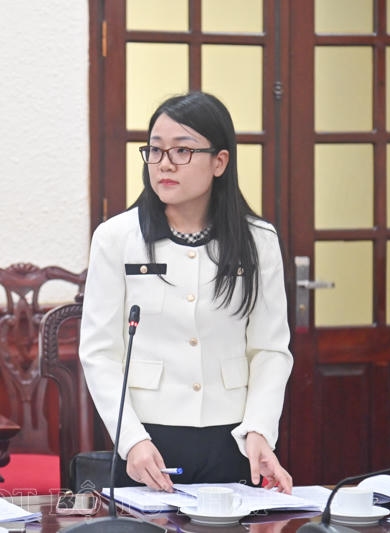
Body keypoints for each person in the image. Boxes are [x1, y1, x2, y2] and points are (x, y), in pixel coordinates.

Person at [79, 92, 294, 494]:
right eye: (155, 150)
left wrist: (260, 429)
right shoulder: (116, 237)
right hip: (149, 441)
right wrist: (132, 440)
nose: (164, 163)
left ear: (220, 162)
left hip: (233, 437)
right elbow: (99, 353)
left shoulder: (258, 240)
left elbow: (269, 349)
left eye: (182, 150)